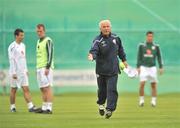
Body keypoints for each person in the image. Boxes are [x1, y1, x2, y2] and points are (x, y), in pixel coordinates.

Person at [88, 20, 128, 119]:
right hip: (101, 70)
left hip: (113, 70)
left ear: (110, 27)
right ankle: (101, 104)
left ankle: (110, 109)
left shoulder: (116, 38)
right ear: (100, 29)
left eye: (108, 26)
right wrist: (92, 56)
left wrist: (124, 60)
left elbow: (121, 50)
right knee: (102, 91)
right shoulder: (97, 40)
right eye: (104, 27)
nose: (106, 28)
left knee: (112, 89)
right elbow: (94, 50)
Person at [8, 28, 37, 112]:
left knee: (26, 88)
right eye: (21, 35)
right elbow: (11, 59)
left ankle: (30, 106)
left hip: (23, 72)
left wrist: (26, 70)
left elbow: (24, 58)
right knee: (13, 90)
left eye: (23, 35)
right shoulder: (12, 47)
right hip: (15, 73)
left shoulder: (23, 45)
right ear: (16, 36)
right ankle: (12, 107)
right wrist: (13, 73)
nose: (22, 37)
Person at [137, 31, 163, 107]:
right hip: (143, 67)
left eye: (151, 36)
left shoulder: (156, 46)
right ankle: (141, 100)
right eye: (148, 36)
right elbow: (139, 57)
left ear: (153, 37)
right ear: (146, 36)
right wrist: (138, 67)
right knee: (142, 84)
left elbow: (159, 57)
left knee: (153, 85)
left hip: (152, 67)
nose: (150, 37)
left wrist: (161, 67)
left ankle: (153, 101)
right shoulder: (142, 45)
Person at [35, 24, 54, 114]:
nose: (39, 33)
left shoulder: (48, 40)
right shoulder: (38, 41)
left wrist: (47, 67)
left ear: (44, 31)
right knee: (42, 88)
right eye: (38, 31)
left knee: (47, 87)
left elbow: (50, 54)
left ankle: (49, 108)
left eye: (41, 31)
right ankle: (44, 107)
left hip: (46, 68)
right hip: (39, 67)